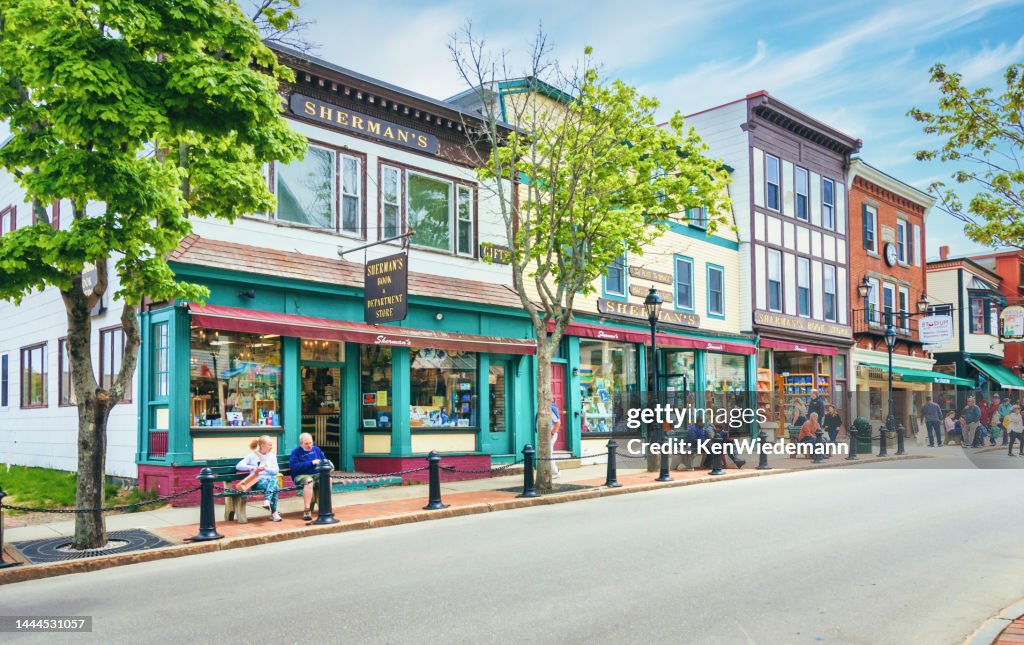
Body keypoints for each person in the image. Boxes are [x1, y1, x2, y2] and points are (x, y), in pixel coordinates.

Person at [236, 435, 281, 521]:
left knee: (274, 481)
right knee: (274, 483)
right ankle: (273, 512)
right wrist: (252, 468)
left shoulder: (272, 456)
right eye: (270, 445)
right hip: (257, 482)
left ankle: (268, 502)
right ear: (263, 446)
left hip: (270, 482)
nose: (271, 447)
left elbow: (276, 471)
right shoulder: (252, 456)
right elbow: (238, 466)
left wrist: (265, 468)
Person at [289, 432, 326, 521]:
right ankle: (307, 509)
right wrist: (311, 463)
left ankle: (324, 506)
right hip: (301, 475)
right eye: (306, 444)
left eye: (310, 443)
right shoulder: (296, 452)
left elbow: (324, 460)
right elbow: (293, 467)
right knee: (309, 481)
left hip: (316, 474)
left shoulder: (316, 449)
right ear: (301, 443)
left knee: (327, 479)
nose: (309, 445)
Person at [549, 402, 561, 479]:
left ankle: (556, 472)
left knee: (548, 455)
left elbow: (558, 423)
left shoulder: (550, 409)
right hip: (546, 435)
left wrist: (552, 434)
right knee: (547, 454)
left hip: (550, 435)